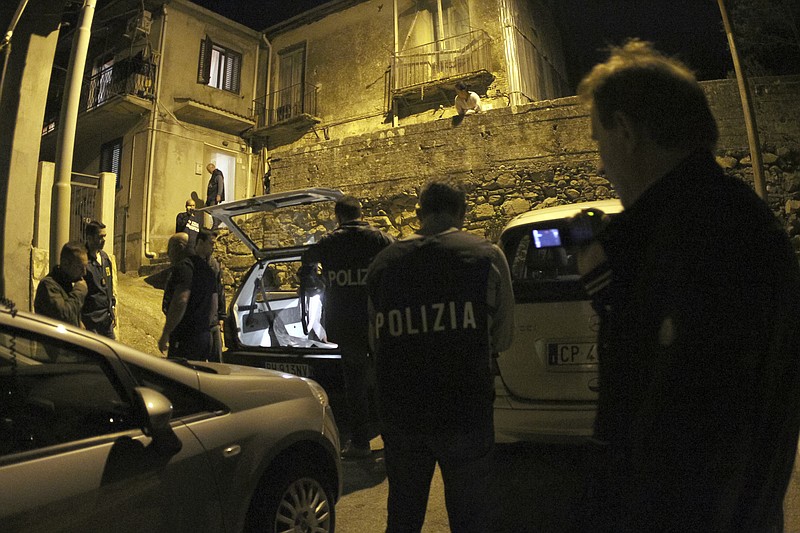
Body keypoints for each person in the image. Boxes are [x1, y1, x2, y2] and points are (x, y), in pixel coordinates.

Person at [573, 39, 800, 532]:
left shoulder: (681, 237)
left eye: (598, 140)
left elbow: (672, 424)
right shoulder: (745, 221)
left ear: (627, 131)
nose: (598, 164)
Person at [366, 181, 514, 532]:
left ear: (418, 213)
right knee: (471, 515)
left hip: (402, 412)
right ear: (462, 213)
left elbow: (375, 339)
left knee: (403, 514)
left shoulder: (382, 265)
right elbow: (504, 338)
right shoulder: (486, 257)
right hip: (464, 409)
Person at [301, 195, 393, 458]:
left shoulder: (330, 242)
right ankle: (392, 440)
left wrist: (316, 278)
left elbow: (307, 259)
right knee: (383, 380)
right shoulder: (379, 239)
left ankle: (361, 443)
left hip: (345, 321)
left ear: (337, 216)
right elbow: (397, 257)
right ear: (360, 213)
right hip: (376, 320)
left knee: (355, 385)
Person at [158, 232, 216, 360]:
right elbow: (214, 305)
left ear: (179, 247)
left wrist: (166, 333)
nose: (168, 253)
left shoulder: (183, 267)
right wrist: (203, 327)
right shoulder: (209, 270)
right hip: (203, 337)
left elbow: (181, 300)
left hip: (185, 338)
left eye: (170, 248)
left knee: (180, 376)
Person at [34, 241, 89, 327]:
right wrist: (79, 291)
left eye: (85, 267)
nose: (84, 272)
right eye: (80, 267)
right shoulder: (48, 285)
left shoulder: (67, 284)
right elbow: (64, 316)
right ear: (65, 264)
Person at [81, 220, 116, 338]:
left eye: (104, 236)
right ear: (90, 238)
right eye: (100, 237)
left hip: (106, 320)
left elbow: (109, 287)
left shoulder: (105, 258)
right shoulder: (83, 261)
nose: (104, 240)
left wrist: (112, 308)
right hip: (91, 323)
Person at [195, 229, 226, 362]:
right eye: (211, 244)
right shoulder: (190, 265)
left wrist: (222, 316)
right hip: (197, 327)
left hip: (213, 325)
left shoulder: (214, 265)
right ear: (200, 243)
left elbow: (219, 289)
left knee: (217, 365)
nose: (214, 248)